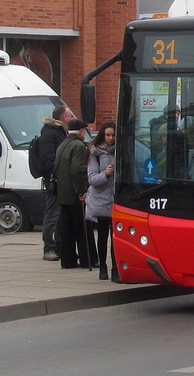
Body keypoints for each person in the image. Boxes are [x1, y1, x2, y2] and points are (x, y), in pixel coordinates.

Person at [36, 105, 74, 261]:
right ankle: (49, 248)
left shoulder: (61, 132)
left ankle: (58, 246)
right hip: (55, 180)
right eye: (70, 116)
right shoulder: (51, 134)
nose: (72, 118)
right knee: (52, 214)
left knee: (60, 216)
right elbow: (48, 160)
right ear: (63, 118)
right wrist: (59, 171)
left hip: (64, 180)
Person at [54, 118, 90, 269]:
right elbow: (77, 170)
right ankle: (86, 260)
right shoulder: (79, 146)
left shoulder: (63, 144)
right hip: (75, 194)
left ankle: (67, 260)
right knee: (81, 229)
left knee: (66, 229)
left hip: (63, 193)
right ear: (81, 131)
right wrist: (81, 190)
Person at [85, 122, 117, 281]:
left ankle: (116, 269)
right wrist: (106, 174)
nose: (111, 138)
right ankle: (103, 267)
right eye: (108, 135)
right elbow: (92, 179)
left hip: (116, 201)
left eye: (113, 135)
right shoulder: (95, 153)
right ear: (103, 136)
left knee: (116, 238)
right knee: (103, 235)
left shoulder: (121, 150)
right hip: (102, 200)